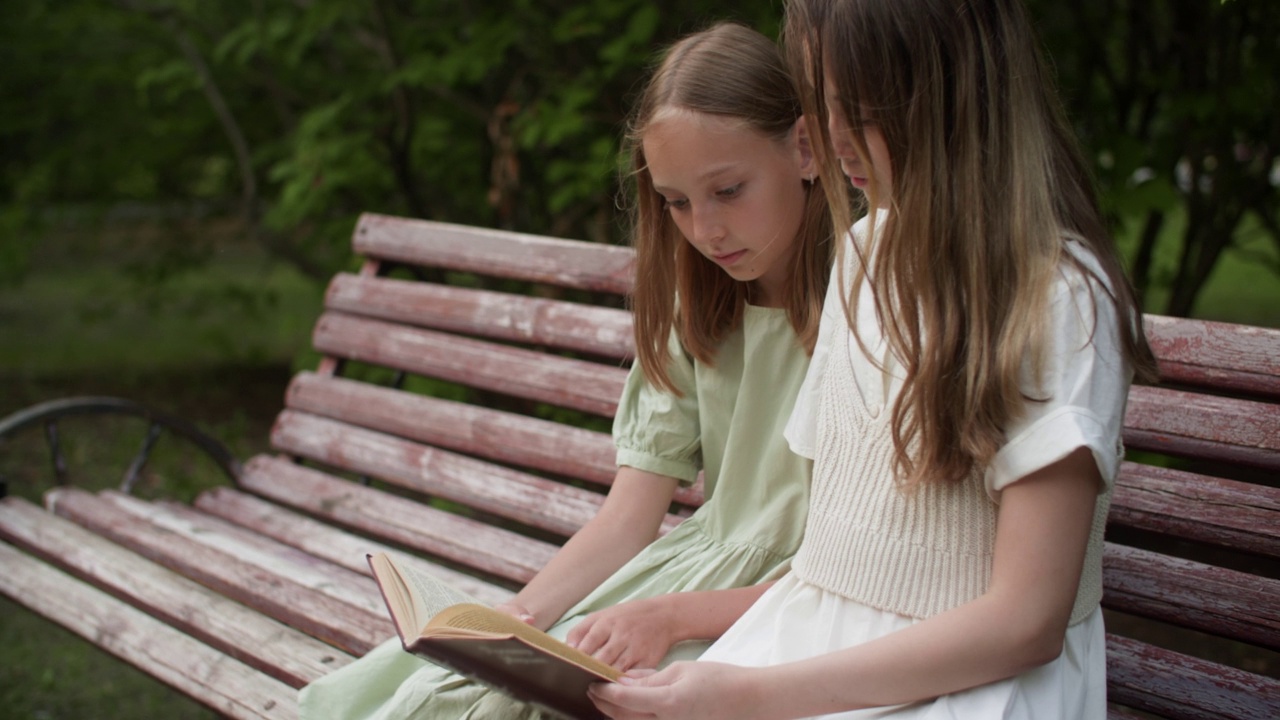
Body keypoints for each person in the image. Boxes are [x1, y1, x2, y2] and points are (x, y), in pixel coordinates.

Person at [589, 1, 1160, 719]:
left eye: (857, 110)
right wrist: (680, 622)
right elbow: (841, 573)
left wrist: (746, 692)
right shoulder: (863, 256)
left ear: (951, 100)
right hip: (812, 654)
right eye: (823, 106)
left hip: (970, 686)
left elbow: (1025, 624)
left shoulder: (1057, 296)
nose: (831, 140)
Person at [297, 21, 833, 720]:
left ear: (806, 149)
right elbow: (627, 519)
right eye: (676, 202)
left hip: (783, 610)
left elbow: (849, 576)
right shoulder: (699, 311)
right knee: (455, 690)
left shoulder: (866, 318)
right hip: (682, 580)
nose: (705, 230)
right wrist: (518, 620)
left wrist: (673, 617)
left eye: (728, 190)